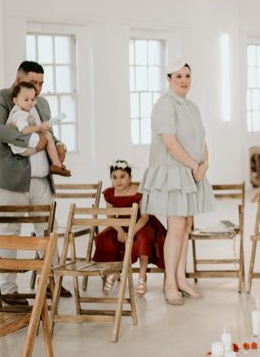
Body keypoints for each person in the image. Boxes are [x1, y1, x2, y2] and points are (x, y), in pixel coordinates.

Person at [0, 61, 70, 305]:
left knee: (48, 229)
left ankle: (51, 281)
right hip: (8, 178)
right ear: (18, 80)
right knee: (9, 230)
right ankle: (9, 290)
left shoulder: (43, 103)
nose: (37, 89)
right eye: (33, 82)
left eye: (41, 83)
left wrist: (58, 145)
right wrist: (30, 142)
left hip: (40, 179)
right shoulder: (0, 98)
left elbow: (50, 134)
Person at [139, 60, 214, 306]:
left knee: (187, 224)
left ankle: (181, 278)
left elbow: (201, 139)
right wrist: (194, 166)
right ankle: (169, 281)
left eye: (188, 76)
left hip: (191, 172)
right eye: (179, 76)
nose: (184, 80)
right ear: (169, 79)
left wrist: (204, 163)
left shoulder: (192, 106)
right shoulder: (164, 105)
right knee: (176, 227)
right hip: (174, 173)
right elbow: (170, 144)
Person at [92, 160, 166, 297]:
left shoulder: (139, 191)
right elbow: (110, 216)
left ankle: (142, 277)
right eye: (114, 177)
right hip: (120, 224)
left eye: (122, 177)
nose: (118, 181)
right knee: (104, 238)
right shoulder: (110, 193)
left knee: (143, 239)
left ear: (130, 178)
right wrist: (120, 230)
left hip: (140, 224)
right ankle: (114, 272)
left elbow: (145, 217)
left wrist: (131, 233)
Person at [7, 81, 71, 177]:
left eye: (32, 99)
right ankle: (56, 164)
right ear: (16, 101)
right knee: (47, 136)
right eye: (26, 99)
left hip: (23, 145)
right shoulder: (19, 114)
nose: (30, 103)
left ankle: (56, 163)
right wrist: (39, 127)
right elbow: (24, 130)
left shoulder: (24, 111)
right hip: (22, 148)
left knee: (47, 135)